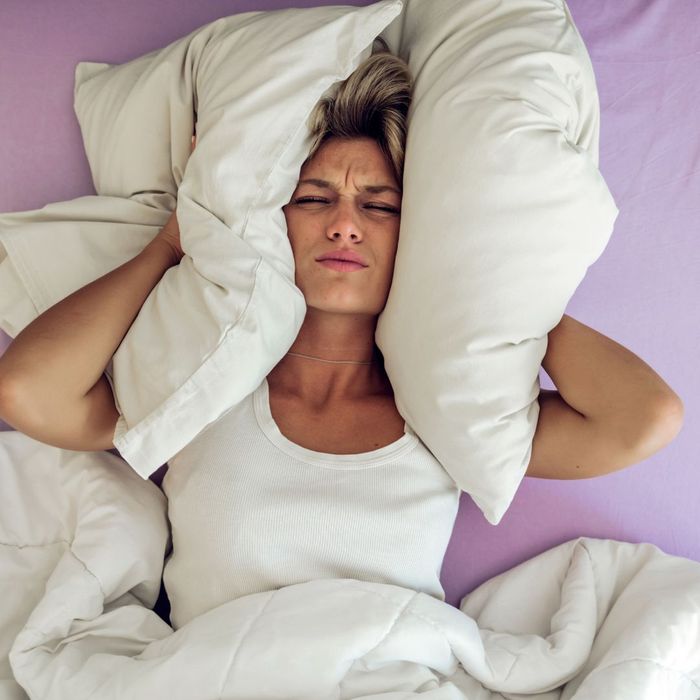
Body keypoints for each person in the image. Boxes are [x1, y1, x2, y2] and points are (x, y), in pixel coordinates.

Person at [0, 49, 683, 629]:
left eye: (378, 205)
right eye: (314, 198)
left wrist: (490, 288)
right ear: (276, 220)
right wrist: (178, 241)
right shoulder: (203, 384)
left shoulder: (448, 412)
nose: (345, 225)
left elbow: (643, 418)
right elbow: (30, 390)